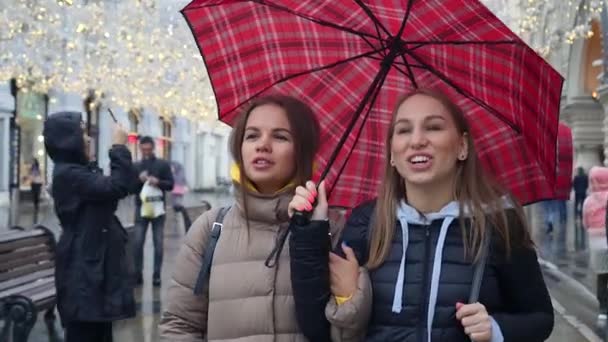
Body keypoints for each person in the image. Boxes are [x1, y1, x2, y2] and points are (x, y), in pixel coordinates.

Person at [288, 89, 554, 341]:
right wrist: (309, 231)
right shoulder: (365, 223)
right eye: (403, 130)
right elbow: (316, 328)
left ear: (462, 146)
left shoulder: (498, 225)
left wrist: (495, 329)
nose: (417, 141)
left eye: (434, 127)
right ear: (392, 153)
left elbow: (540, 319)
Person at [159, 94, 321, 341]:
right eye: (252, 135)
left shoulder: (329, 229)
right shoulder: (210, 228)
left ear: (303, 151)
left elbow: (346, 330)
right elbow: (180, 325)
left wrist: (314, 233)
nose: (262, 145)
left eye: (280, 136)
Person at [43, 112, 136, 342]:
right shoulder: (69, 174)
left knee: (100, 332)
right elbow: (117, 187)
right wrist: (118, 147)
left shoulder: (77, 172)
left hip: (92, 271)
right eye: (81, 133)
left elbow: (112, 192)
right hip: (83, 275)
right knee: (86, 333)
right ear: (67, 140)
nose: (87, 139)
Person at [132, 136, 174, 287]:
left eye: (149, 149)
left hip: (158, 209)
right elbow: (131, 187)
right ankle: (137, 274)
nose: (146, 152)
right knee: (137, 243)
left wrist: (159, 182)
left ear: (153, 148)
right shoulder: (136, 166)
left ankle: (156, 275)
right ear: (140, 149)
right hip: (141, 208)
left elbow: (171, 185)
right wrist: (138, 180)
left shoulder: (162, 164)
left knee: (158, 243)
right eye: (144, 150)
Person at [170, 161, 192, 232]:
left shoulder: (178, 172)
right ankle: (177, 209)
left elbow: (183, 180)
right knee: (176, 201)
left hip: (178, 190)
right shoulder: (176, 172)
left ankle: (177, 209)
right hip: (176, 190)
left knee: (177, 201)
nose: (172, 168)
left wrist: (186, 186)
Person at [29, 157, 43, 222]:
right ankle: (35, 205)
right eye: (32, 161)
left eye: (33, 161)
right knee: (34, 195)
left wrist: (40, 181)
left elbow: (39, 176)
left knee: (37, 195)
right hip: (33, 183)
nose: (32, 162)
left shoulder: (38, 168)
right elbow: (30, 175)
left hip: (37, 183)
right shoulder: (31, 168)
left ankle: (36, 206)